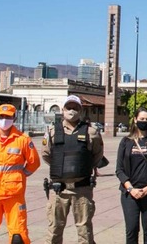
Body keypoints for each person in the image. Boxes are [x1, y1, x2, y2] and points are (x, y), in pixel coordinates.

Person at [42, 95, 103, 244]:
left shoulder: (91, 132)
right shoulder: (52, 131)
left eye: (75, 108)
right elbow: (46, 155)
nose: (72, 111)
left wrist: (82, 167)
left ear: (81, 111)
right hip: (59, 190)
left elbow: (97, 155)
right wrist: (61, 168)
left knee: (84, 231)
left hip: (81, 190)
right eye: (68, 107)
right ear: (63, 110)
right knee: (54, 230)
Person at [0, 103, 41, 244]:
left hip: (13, 194)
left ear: (14, 118)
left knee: (18, 237)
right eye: (1, 117)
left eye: (8, 117)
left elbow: (34, 162)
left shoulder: (23, 140)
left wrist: (20, 175)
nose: (4, 120)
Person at [116, 108, 147, 244]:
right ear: (135, 120)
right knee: (131, 229)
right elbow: (119, 170)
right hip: (130, 193)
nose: (144, 122)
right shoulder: (126, 142)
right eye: (142, 119)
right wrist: (131, 189)